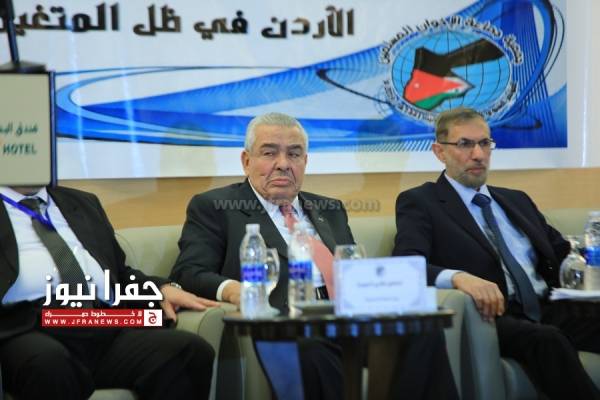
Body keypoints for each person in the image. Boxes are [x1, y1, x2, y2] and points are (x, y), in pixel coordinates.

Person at [171, 112, 458, 400]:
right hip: (287, 326)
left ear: (305, 161)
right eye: (269, 153)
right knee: (310, 348)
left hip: (348, 322)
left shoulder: (330, 209)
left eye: (294, 154)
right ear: (247, 161)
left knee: (424, 333)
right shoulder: (216, 207)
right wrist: (237, 291)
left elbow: (354, 270)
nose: (283, 164)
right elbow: (189, 272)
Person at [392, 106, 600, 399]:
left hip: (549, 307)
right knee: (548, 340)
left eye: (484, 143)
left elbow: (563, 252)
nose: (478, 154)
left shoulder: (516, 200)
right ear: (440, 152)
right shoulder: (421, 202)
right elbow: (406, 265)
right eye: (465, 144)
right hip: (494, 315)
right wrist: (459, 277)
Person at [0, 184, 218, 400]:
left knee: (188, 351)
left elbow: (119, 274)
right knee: (48, 362)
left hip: (100, 322)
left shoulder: (83, 202)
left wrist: (161, 289)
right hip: (30, 327)